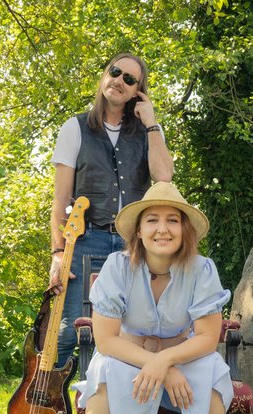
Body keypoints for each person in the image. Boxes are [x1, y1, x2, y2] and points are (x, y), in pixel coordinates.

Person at [72, 182, 233, 414]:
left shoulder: (202, 269)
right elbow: (105, 340)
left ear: (184, 228)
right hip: (127, 355)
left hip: (183, 355)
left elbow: (207, 337)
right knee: (101, 370)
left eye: (172, 220)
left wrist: (166, 361)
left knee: (214, 367)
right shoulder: (117, 267)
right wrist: (156, 363)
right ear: (140, 231)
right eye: (153, 220)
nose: (163, 229)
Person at [49, 52, 174, 374]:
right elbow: (60, 198)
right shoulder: (74, 128)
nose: (119, 81)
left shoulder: (147, 132)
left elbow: (163, 175)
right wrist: (58, 253)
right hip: (84, 240)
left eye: (130, 79)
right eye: (115, 72)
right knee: (68, 331)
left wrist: (152, 122)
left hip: (133, 245)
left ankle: (117, 406)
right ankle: (51, 412)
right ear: (105, 75)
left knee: (132, 331)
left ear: (137, 91)